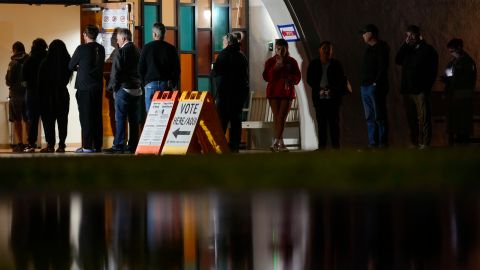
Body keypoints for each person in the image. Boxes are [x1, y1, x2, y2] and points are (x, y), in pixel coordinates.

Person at [395, 25, 438, 149]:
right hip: (407, 91)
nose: (410, 38)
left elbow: (432, 71)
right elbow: (397, 60)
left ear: (419, 35)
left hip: (420, 90)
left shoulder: (428, 50)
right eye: (407, 35)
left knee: (424, 117)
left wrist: (426, 86)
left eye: (412, 35)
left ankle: (425, 143)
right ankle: (415, 142)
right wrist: (405, 44)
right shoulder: (408, 49)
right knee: (411, 118)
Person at [103, 28, 142, 154]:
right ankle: (133, 145)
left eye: (118, 39)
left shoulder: (121, 52)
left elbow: (116, 73)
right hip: (137, 89)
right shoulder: (138, 51)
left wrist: (111, 88)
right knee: (133, 119)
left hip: (124, 89)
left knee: (120, 118)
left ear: (123, 39)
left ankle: (119, 145)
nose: (117, 42)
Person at [69, 24, 106, 153]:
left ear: (85, 35)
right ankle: (97, 145)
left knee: (86, 117)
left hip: (84, 88)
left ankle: (87, 146)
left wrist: (79, 67)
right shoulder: (101, 49)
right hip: (97, 87)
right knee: (97, 116)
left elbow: (71, 65)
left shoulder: (81, 49)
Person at [262, 38, 301, 152]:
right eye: (278, 48)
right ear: (275, 49)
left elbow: (297, 77)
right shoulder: (271, 61)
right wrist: (275, 68)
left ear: (286, 48)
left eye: (282, 48)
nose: (280, 51)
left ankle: (275, 142)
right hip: (274, 92)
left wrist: (290, 78)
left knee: (281, 117)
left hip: (286, 92)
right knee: (277, 117)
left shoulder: (292, 61)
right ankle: (281, 143)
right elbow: (266, 77)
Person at [212, 33, 249, 152]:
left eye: (223, 42)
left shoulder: (223, 55)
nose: (222, 44)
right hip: (238, 94)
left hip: (225, 94)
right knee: (235, 120)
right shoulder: (241, 56)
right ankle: (234, 145)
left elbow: (216, 72)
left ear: (227, 43)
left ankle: (220, 145)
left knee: (221, 121)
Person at [306, 41, 346, 150]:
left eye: (329, 48)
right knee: (321, 123)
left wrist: (332, 89)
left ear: (332, 51)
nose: (327, 50)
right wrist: (319, 89)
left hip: (333, 98)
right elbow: (309, 79)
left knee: (334, 123)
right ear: (319, 50)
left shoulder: (336, 64)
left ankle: (335, 147)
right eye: (324, 48)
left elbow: (341, 80)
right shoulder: (314, 64)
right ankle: (322, 147)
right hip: (319, 98)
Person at [38, 39, 73, 153]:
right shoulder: (67, 62)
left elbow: (40, 82)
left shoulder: (45, 62)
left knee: (48, 121)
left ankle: (50, 145)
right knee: (63, 121)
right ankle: (62, 145)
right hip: (62, 94)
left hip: (47, 95)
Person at [441, 38, 477, 145]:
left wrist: (450, 80)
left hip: (463, 96)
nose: (451, 54)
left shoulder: (467, 62)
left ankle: (463, 140)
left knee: (463, 122)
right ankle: (458, 139)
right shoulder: (453, 61)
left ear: (459, 48)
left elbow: (467, 79)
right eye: (450, 52)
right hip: (454, 96)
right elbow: (450, 74)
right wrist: (447, 80)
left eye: (452, 51)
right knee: (456, 123)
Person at [359, 24, 390, 149]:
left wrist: (376, 82)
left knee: (379, 115)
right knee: (369, 117)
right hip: (365, 86)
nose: (363, 36)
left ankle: (382, 143)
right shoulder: (368, 49)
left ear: (371, 33)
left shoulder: (382, 48)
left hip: (374, 86)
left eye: (365, 33)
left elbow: (383, 67)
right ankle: (373, 143)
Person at [138, 22, 180, 113]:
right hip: (166, 85)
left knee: (150, 115)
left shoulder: (146, 48)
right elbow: (177, 69)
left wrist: (144, 84)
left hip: (150, 85)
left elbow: (140, 68)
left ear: (154, 34)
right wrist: (173, 83)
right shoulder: (171, 49)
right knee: (165, 115)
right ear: (164, 34)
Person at [23, 38, 48, 153]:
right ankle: (50, 144)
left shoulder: (29, 59)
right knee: (47, 119)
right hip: (46, 93)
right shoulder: (48, 58)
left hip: (32, 93)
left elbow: (24, 78)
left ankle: (31, 144)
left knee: (33, 120)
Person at [5, 41, 28, 153]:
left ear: (14, 49)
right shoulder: (29, 60)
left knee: (17, 119)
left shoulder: (12, 63)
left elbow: (8, 80)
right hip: (28, 94)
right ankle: (29, 143)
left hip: (15, 94)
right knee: (28, 119)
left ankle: (20, 144)